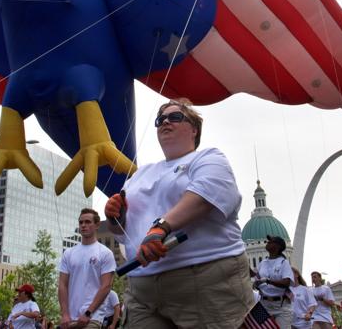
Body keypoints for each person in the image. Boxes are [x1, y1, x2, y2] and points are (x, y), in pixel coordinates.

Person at [105, 99, 253, 328]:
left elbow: (204, 197)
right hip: (142, 290)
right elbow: (121, 233)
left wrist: (160, 227)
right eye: (160, 119)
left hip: (205, 280)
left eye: (174, 117)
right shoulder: (140, 174)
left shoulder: (209, 158)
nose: (165, 122)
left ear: (194, 129)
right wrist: (115, 217)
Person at [58, 208, 115, 329]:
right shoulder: (68, 253)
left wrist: (88, 312)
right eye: (81, 222)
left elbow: (106, 286)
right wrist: (65, 313)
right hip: (70, 319)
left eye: (88, 222)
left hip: (92, 318)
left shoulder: (105, 253)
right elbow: (62, 284)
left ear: (97, 225)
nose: (83, 225)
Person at [252, 235, 295, 328]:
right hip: (264, 303)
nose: (267, 243)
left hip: (280, 305)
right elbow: (255, 275)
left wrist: (268, 281)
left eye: (271, 241)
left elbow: (286, 282)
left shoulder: (283, 262)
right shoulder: (263, 263)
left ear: (278, 246)